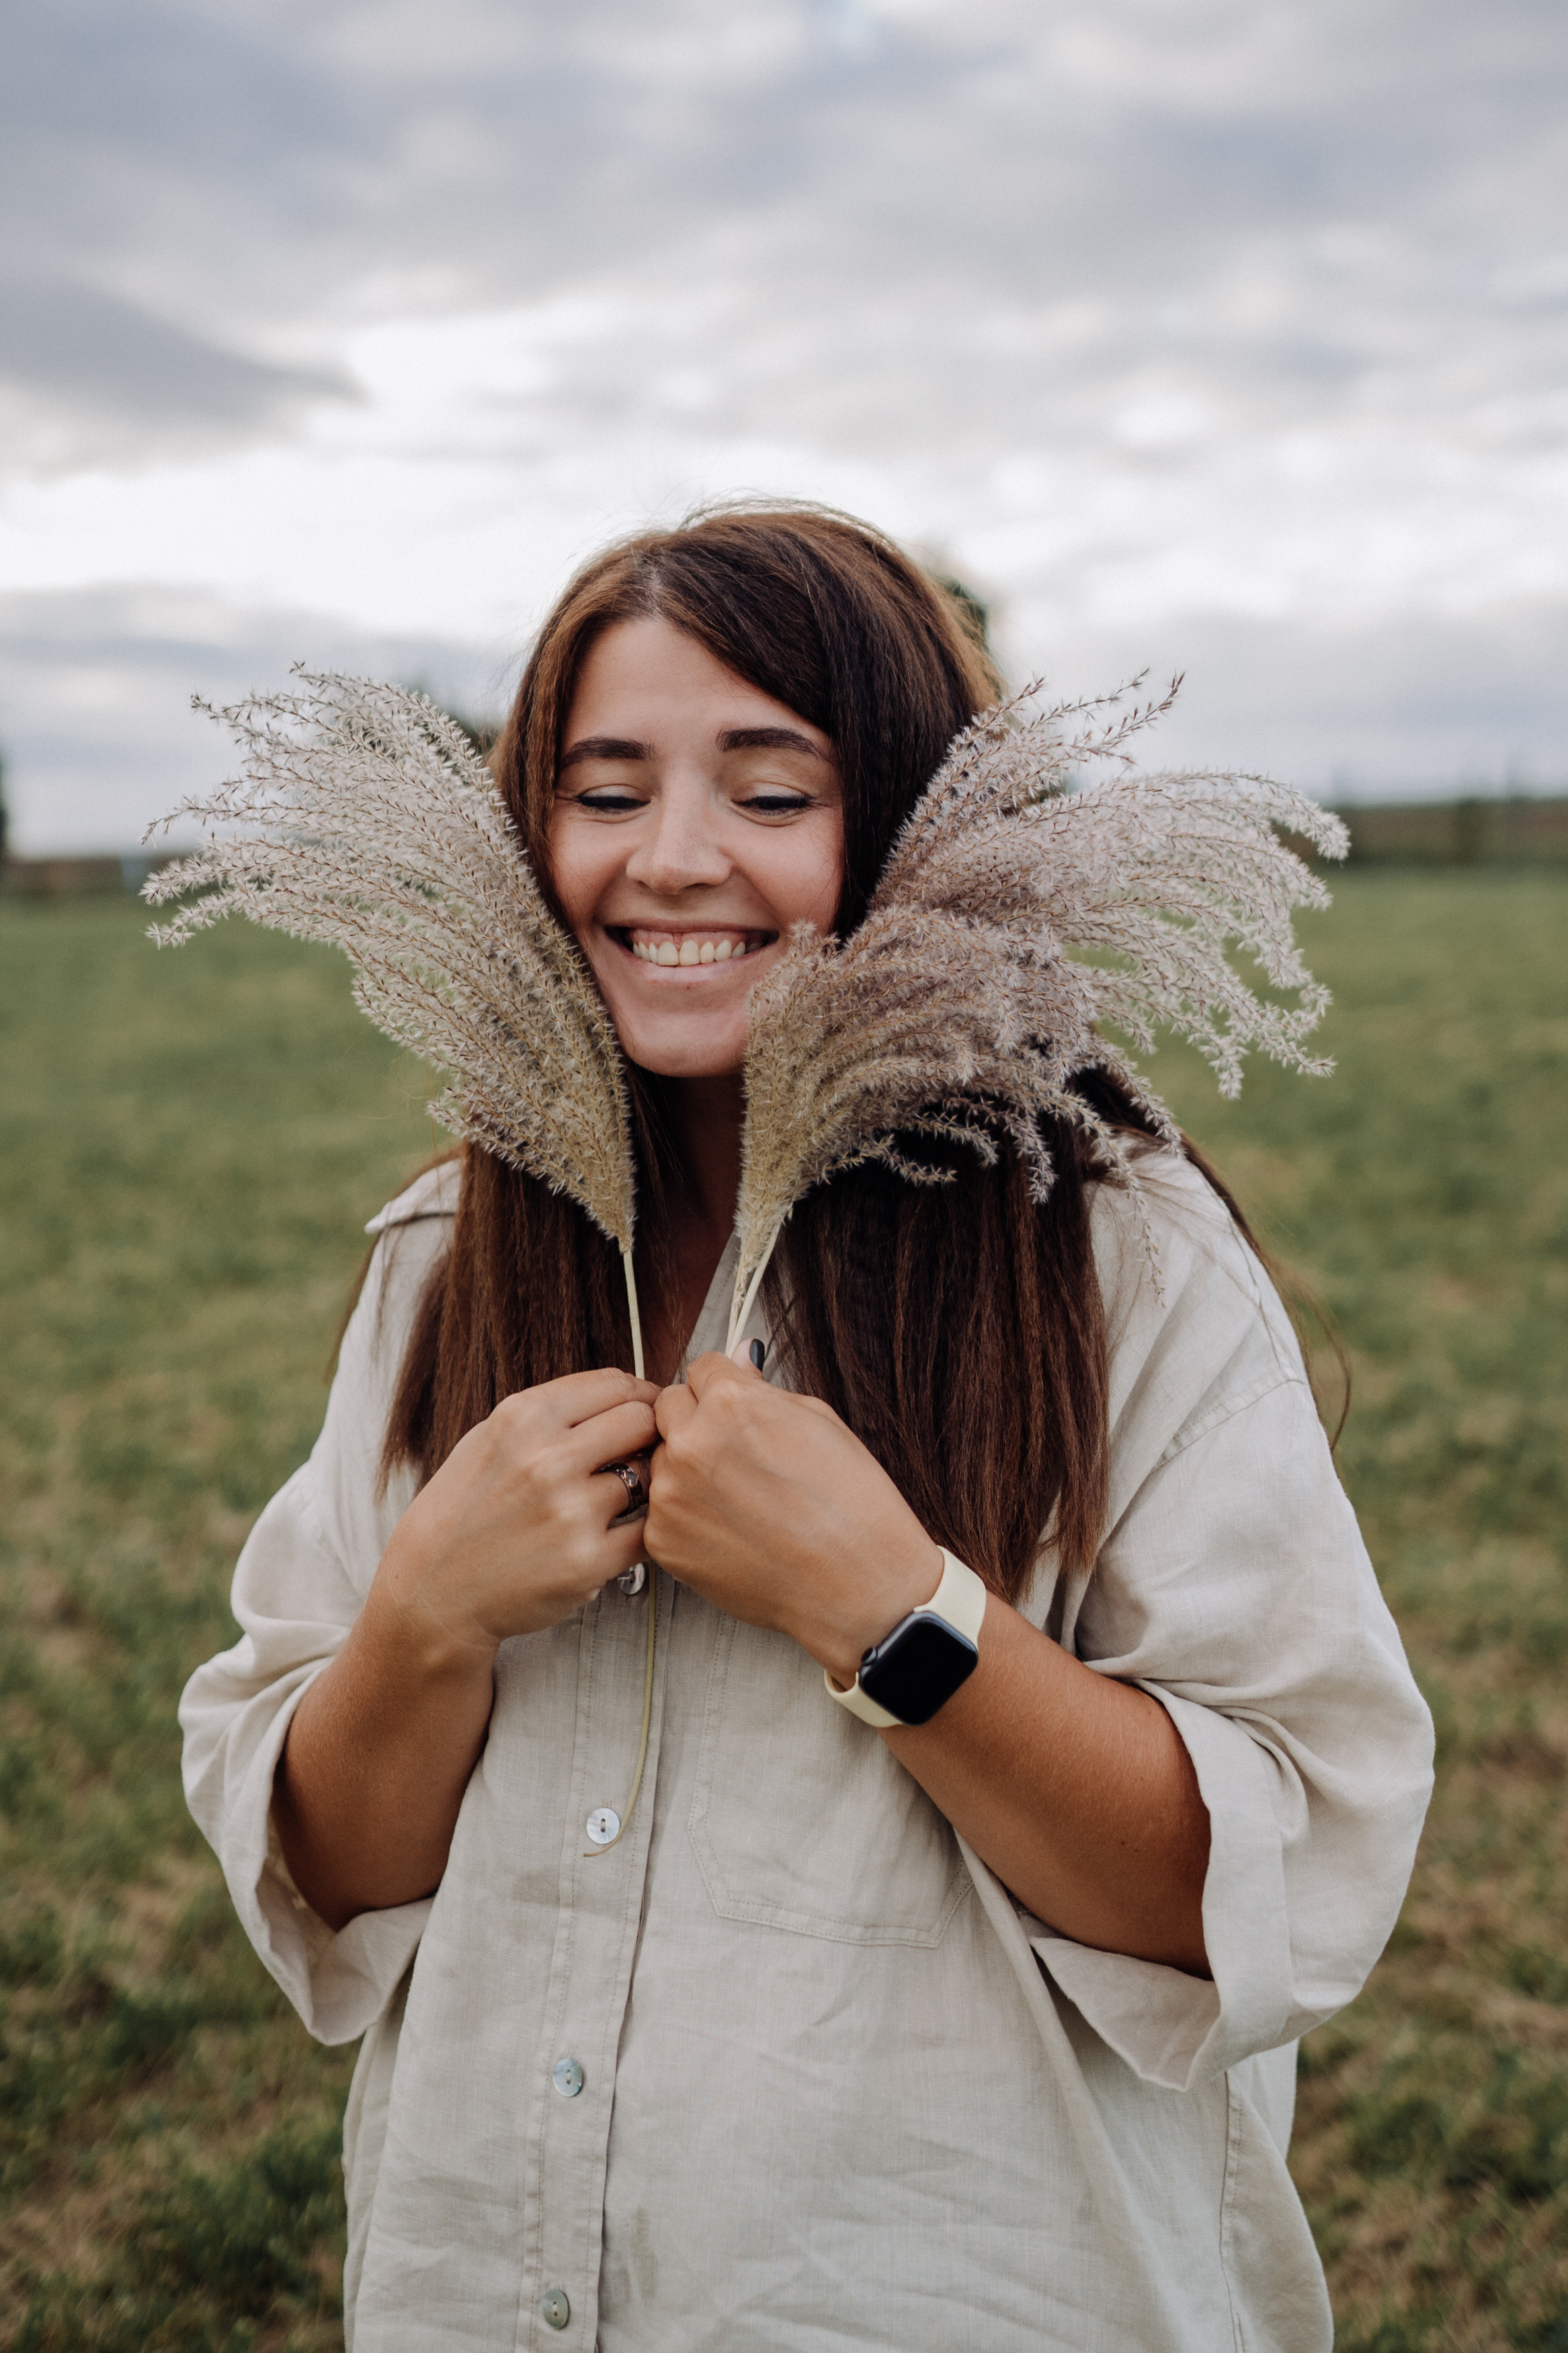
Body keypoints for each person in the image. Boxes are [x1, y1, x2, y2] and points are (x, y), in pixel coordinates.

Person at [181, 505, 1434, 2353]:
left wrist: (898, 1613)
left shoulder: (1111, 1265)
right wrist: (425, 1614)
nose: (673, 857)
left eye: (774, 791)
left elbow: (1261, 1896)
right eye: (606, 790)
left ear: (920, 826)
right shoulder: (455, 1259)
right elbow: (337, 1878)